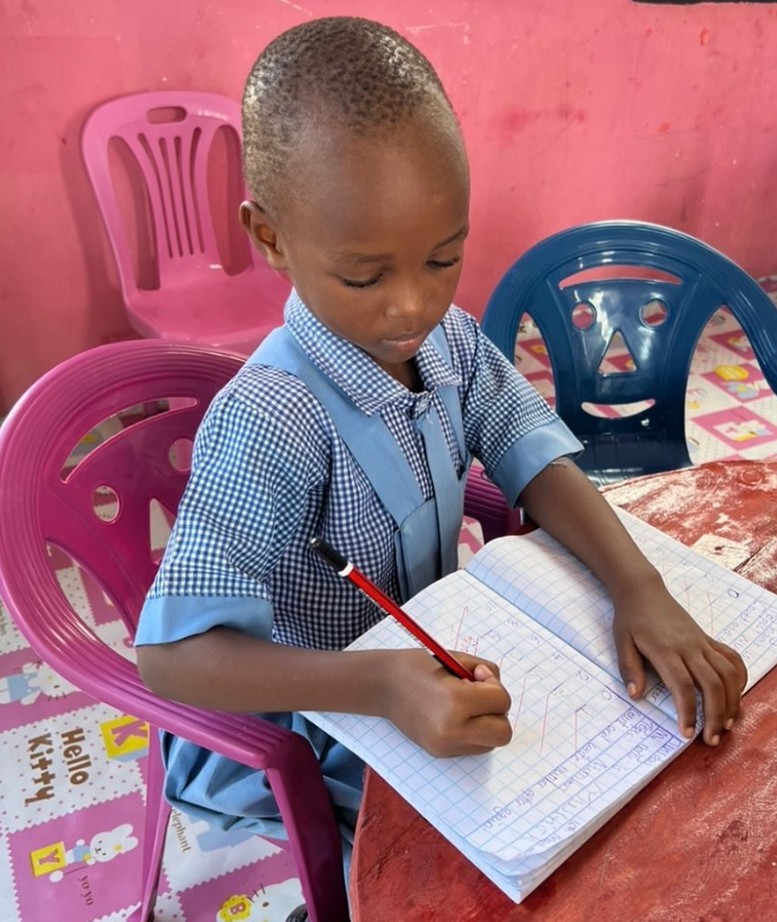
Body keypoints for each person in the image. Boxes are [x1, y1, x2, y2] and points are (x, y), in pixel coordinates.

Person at [135, 12, 747, 907]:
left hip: (433, 656)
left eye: (443, 258)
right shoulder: (271, 419)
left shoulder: (451, 345)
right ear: (269, 238)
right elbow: (173, 658)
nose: (412, 306)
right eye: (365, 275)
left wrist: (637, 585)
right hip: (325, 708)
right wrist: (377, 685)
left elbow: (531, 457)